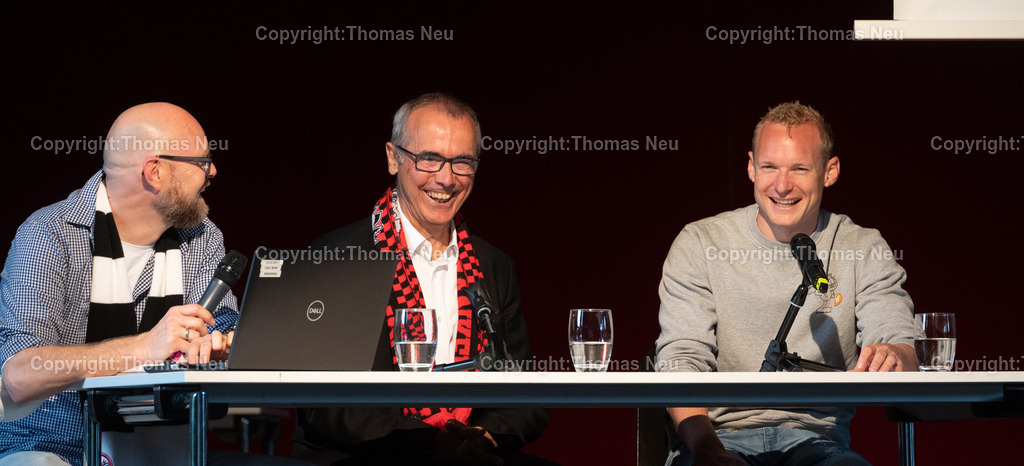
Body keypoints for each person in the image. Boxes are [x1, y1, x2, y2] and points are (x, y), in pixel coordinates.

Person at [655, 101, 918, 465]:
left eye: (799, 168)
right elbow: (682, 359)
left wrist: (895, 354)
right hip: (718, 440)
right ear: (750, 167)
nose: (782, 185)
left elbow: (899, 341)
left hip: (820, 444)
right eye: (769, 167)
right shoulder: (701, 242)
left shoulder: (862, 247)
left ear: (830, 171)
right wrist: (707, 449)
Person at [293, 93, 549, 465]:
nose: (446, 179)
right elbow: (326, 404)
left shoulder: (494, 265)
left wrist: (483, 438)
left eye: (462, 162)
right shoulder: (338, 255)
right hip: (366, 456)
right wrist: (430, 445)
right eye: (429, 159)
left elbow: (524, 395)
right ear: (392, 158)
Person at [0, 103, 236, 465]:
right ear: (155, 172)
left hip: (166, 446)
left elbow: (224, 324)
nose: (213, 171)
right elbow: (20, 375)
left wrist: (224, 343)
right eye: (202, 162)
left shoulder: (202, 238)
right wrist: (145, 347)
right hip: (51, 447)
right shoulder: (49, 235)